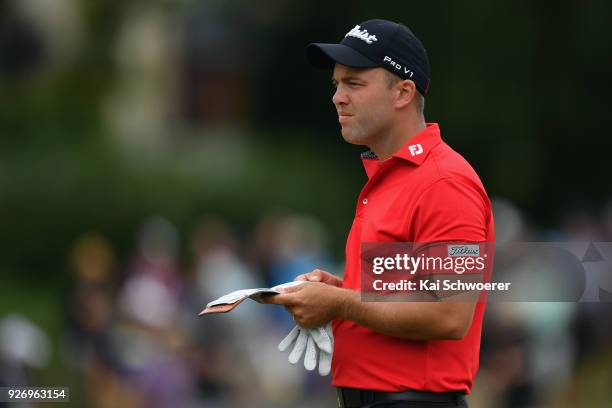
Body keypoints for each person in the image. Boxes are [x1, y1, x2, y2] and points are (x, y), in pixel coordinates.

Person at [264, 19, 494, 408]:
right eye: (336, 84)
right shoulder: (388, 178)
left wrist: (340, 304)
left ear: (403, 93)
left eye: (354, 83)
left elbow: (451, 314)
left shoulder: (445, 182)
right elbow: (398, 295)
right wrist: (332, 293)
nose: (338, 96)